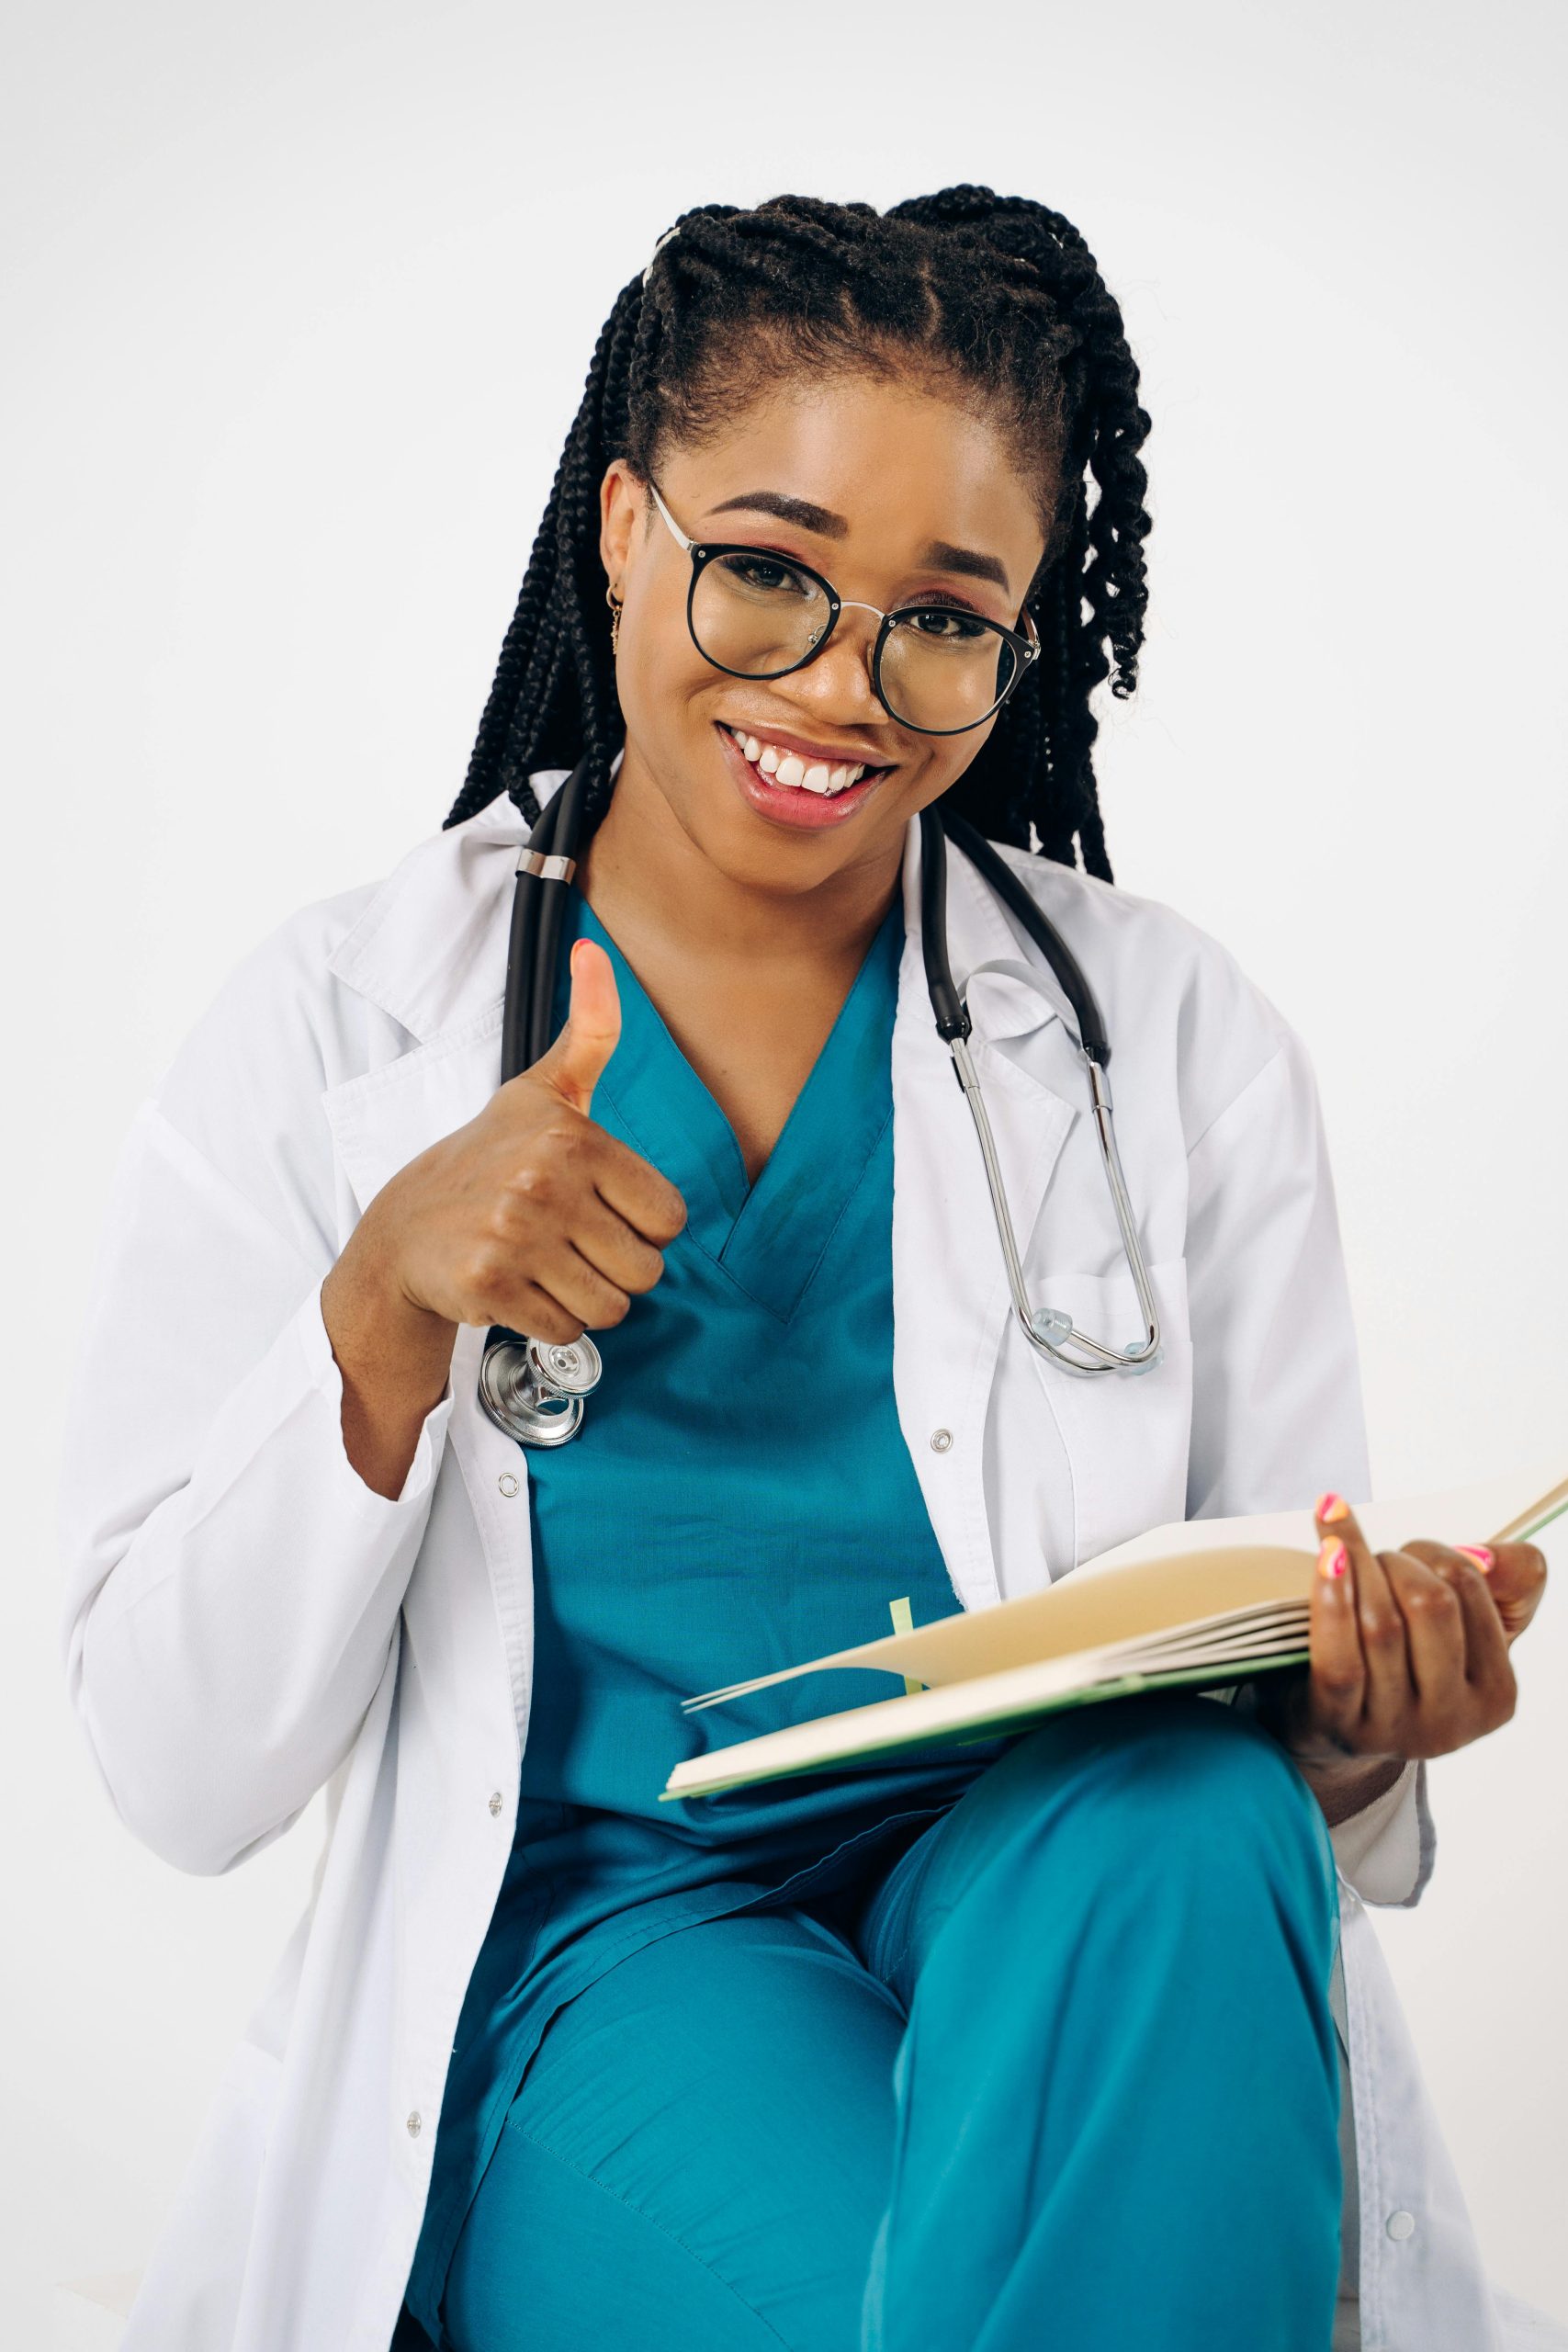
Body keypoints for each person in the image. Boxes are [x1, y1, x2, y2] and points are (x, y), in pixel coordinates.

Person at [58, 187, 1550, 2352]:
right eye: (765, 571)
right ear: (620, 532)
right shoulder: (338, 1027)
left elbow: (1254, 1617)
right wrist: (383, 1309)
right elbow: (174, 1770)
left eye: (942, 618)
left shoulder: (1165, 1035)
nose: (840, 690)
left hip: (1053, 1866)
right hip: (622, 1926)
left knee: (1192, 1811)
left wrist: (1355, 1717)